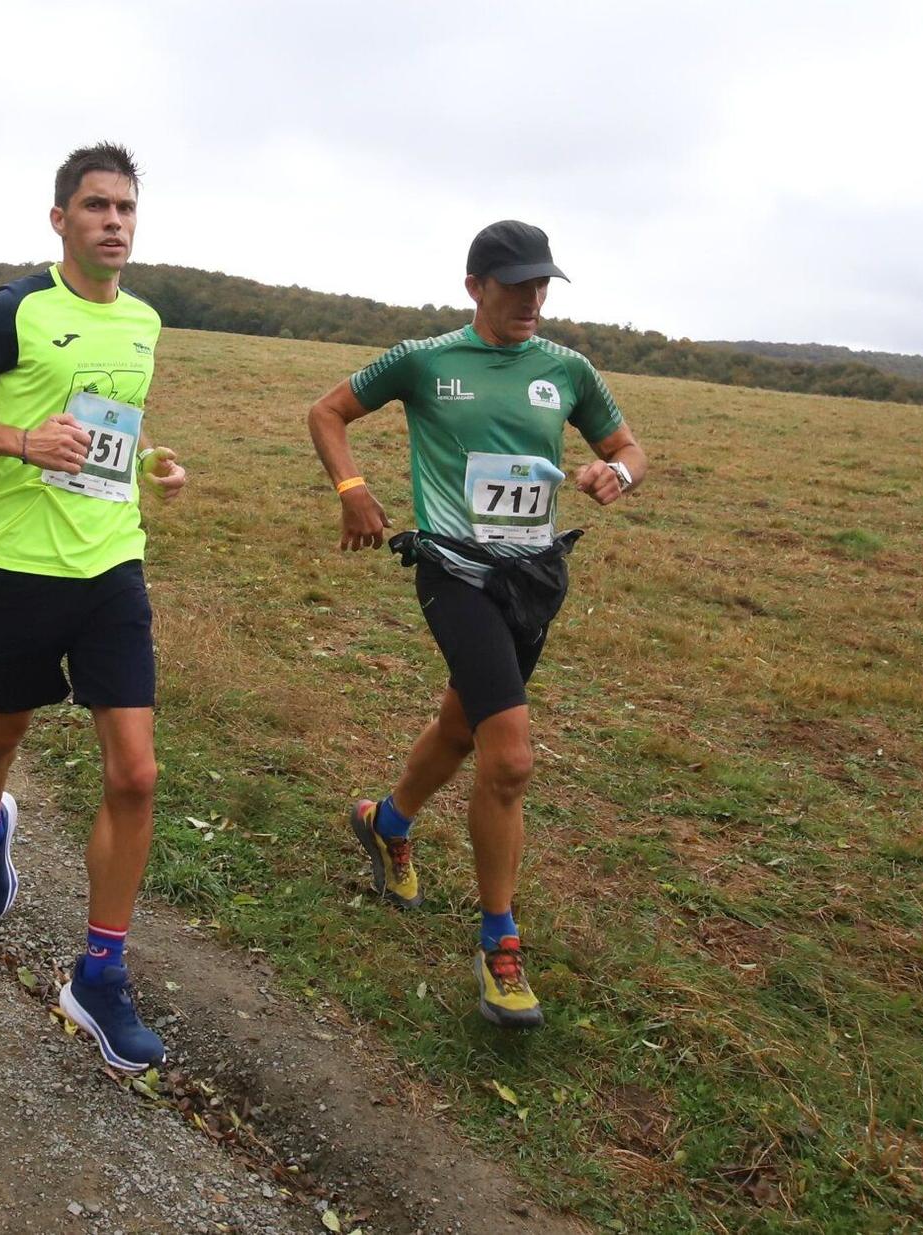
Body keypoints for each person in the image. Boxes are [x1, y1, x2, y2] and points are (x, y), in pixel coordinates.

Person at [305, 220, 648, 1030]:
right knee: (512, 756)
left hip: (535, 579)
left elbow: (631, 445)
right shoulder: (426, 359)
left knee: (463, 725)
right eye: (516, 285)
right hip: (452, 572)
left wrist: (617, 472)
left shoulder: (567, 370)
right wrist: (351, 488)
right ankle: (501, 945)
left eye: (542, 285)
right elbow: (326, 412)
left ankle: (385, 823)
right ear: (475, 288)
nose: (532, 299)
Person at [0, 143, 188, 1072]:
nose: (115, 220)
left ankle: (99, 974)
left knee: (136, 774)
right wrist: (22, 440)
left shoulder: (145, 320)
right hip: (18, 567)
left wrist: (154, 464)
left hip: (113, 566)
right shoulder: (17, 307)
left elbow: (115, 424)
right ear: (60, 217)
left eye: (127, 208)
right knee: (4, 722)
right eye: (97, 205)